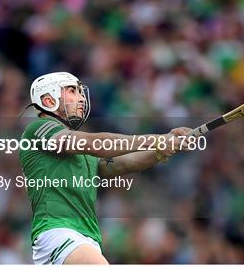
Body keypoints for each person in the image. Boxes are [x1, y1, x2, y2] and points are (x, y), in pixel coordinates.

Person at [19, 72, 191, 264]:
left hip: (87, 237)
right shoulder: (39, 128)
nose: (81, 98)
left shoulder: (82, 150)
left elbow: (126, 163)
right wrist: (157, 139)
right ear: (49, 99)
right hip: (58, 231)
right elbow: (98, 144)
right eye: (72, 91)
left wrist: (161, 149)